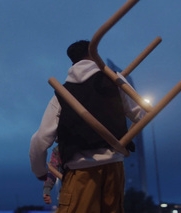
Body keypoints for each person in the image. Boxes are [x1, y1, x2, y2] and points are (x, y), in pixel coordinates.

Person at [29, 40, 144, 212]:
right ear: (93, 53)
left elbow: (40, 140)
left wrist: (40, 171)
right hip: (114, 169)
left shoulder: (63, 94)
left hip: (80, 171)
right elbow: (140, 115)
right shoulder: (114, 79)